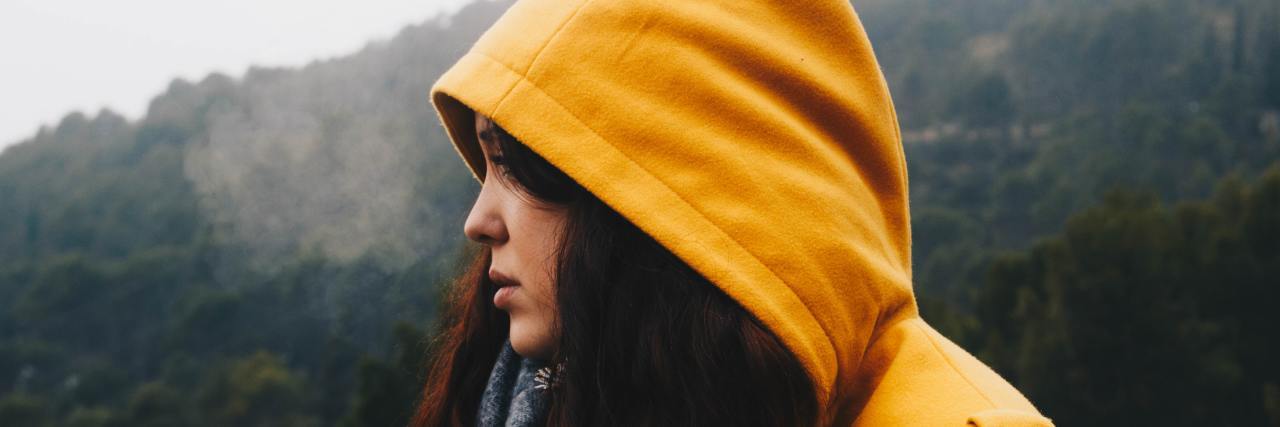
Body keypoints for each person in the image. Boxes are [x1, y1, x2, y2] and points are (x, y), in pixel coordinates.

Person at [413, 0, 1053, 426]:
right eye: (486, 164)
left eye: (517, 167)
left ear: (668, 203)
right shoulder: (556, 393)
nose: (479, 221)